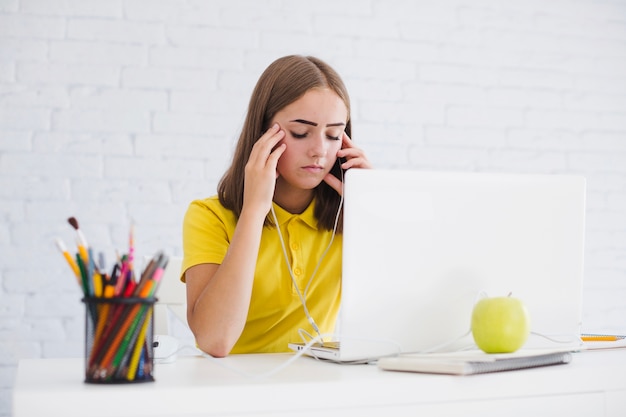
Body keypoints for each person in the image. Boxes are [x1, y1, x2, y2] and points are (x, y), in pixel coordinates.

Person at [182, 55, 371, 358]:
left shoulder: (348, 217)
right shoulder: (209, 216)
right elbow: (215, 340)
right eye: (300, 132)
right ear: (263, 133)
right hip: (227, 390)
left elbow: (404, 314)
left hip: (314, 389)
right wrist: (254, 210)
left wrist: (375, 210)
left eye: (334, 134)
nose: (320, 150)